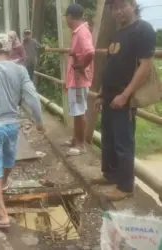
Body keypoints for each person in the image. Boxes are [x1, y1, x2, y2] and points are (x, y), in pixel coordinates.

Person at [0, 33, 45, 229]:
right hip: (12, 125)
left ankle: (3, 215)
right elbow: (32, 98)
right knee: (9, 158)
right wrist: (39, 122)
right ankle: (4, 182)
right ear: (10, 49)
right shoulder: (20, 71)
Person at [92, 0, 156, 201]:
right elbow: (111, 64)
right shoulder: (118, 31)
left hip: (123, 96)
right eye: (114, 7)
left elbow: (144, 66)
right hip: (110, 94)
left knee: (123, 141)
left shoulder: (143, 30)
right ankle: (111, 175)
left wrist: (125, 95)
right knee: (109, 138)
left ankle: (126, 185)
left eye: (122, 6)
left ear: (133, 4)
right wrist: (102, 93)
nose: (118, 11)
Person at [63, 3, 95, 156]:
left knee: (79, 111)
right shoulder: (78, 31)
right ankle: (76, 139)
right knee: (76, 110)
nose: (66, 21)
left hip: (78, 79)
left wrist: (82, 67)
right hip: (75, 79)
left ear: (70, 16)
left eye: (66, 17)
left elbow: (90, 52)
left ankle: (81, 144)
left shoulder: (82, 32)